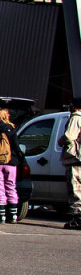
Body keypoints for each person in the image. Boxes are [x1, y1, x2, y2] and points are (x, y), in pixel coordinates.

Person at [61, 95, 81, 230]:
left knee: (75, 189)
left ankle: (77, 219)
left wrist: (61, 140)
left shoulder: (76, 117)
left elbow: (70, 136)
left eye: (70, 104)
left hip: (75, 159)